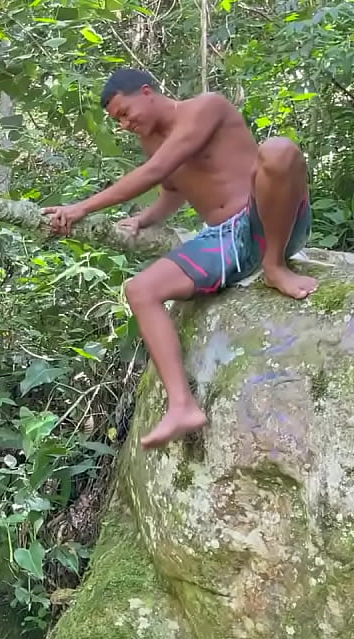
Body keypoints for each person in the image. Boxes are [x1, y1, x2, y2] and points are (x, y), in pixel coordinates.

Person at [41, 67, 317, 449]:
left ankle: (274, 266)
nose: (123, 124)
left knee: (279, 150)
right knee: (140, 290)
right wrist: (144, 218)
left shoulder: (206, 108)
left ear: (146, 92)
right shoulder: (153, 143)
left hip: (272, 221)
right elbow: (172, 189)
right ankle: (181, 405)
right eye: (116, 120)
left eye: (124, 112)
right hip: (224, 240)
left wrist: (80, 207)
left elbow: (156, 171)